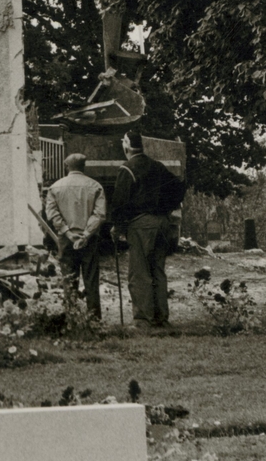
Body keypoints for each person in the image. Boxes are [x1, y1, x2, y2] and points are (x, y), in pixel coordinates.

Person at [110, 131, 181, 328]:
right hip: (162, 224)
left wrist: (117, 227)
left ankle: (143, 320)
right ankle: (161, 318)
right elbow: (178, 186)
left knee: (140, 272)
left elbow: (120, 202)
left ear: (126, 146)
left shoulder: (127, 168)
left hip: (141, 225)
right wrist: (166, 209)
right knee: (158, 271)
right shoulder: (157, 166)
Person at [44, 153, 107, 319]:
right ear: (83, 167)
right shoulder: (95, 186)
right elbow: (99, 214)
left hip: (66, 239)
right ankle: (94, 321)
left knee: (69, 280)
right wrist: (86, 234)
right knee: (91, 280)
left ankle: (72, 319)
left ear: (67, 167)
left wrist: (67, 232)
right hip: (90, 239)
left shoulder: (55, 187)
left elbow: (52, 213)